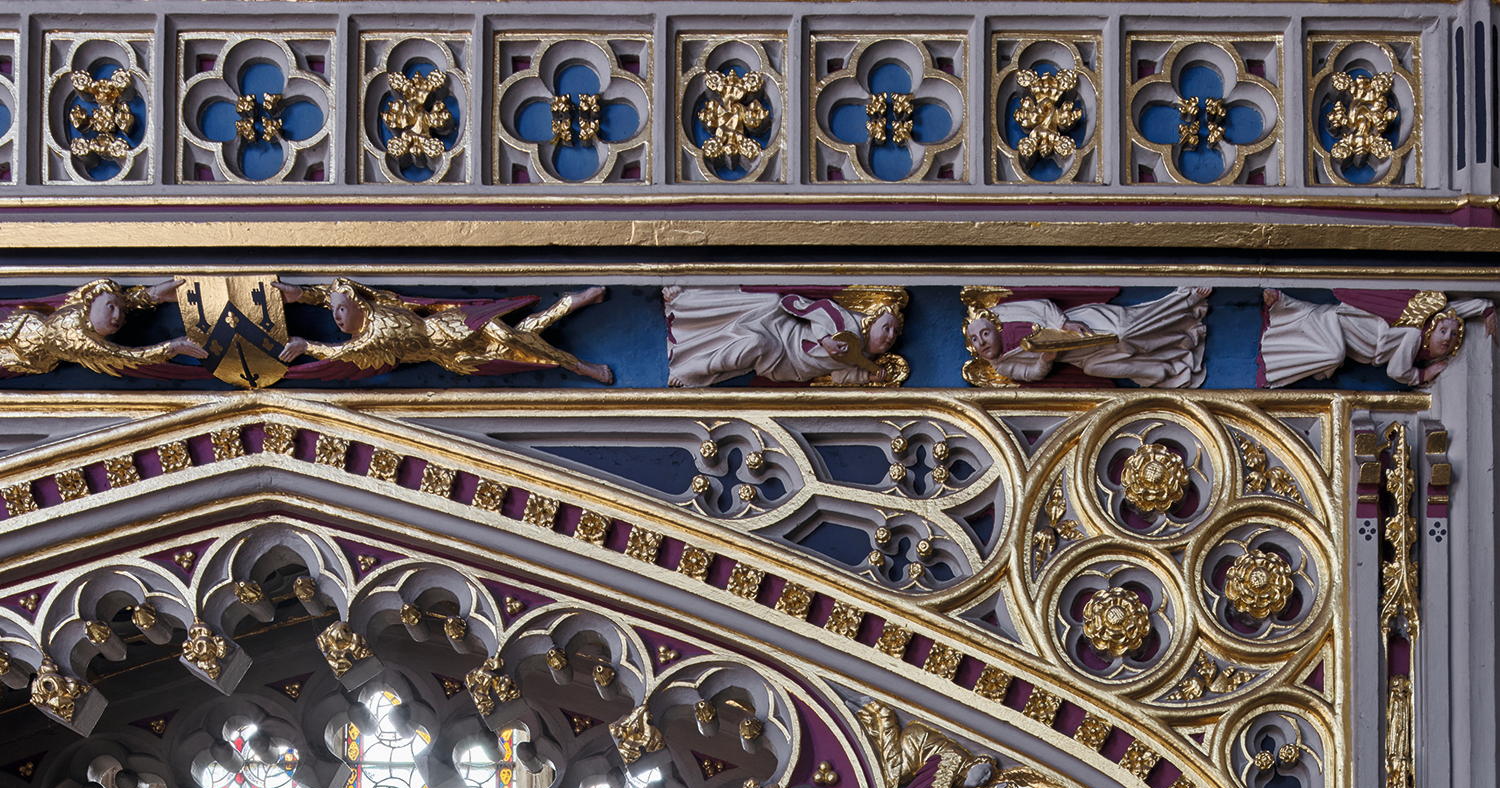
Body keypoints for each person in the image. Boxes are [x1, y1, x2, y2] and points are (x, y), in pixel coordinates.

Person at [277, 279, 613, 382]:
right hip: (453, 355)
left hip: (453, 322)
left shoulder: (378, 303)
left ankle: (581, 366)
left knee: (513, 338)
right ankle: (571, 304)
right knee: (522, 345)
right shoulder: (368, 342)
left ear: (354, 304)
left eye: (339, 310)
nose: (336, 317)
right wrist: (307, 346)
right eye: (334, 313)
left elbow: (334, 294)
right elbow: (341, 353)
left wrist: (303, 294)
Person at [960, 284, 1209, 388]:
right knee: (1097, 367)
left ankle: (1186, 301)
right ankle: (1168, 363)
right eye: (975, 340)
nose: (982, 342)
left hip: (1082, 324)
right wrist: (1046, 358)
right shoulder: (1003, 365)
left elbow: (1043, 306)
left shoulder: (1004, 314)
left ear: (995, 329)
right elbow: (1031, 374)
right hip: (1075, 355)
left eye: (984, 334)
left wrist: (1065, 323)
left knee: (1125, 332)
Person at [664, 284, 908, 388]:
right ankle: (687, 302)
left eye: (895, 334)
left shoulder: (859, 356)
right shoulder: (845, 323)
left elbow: (839, 375)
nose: (890, 336)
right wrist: (826, 340)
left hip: (786, 364)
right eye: (886, 327)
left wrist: (869, 376)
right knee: (765, 307)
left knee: (753, 346)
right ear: (870, 321)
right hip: (783, 333)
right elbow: (813, 309)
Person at [1259, 287, 1486, 388]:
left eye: (1454, 336)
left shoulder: (1422, 324)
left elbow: (1451, 311)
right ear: (1430, 330)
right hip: (1347, 329)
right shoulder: (1414, 336)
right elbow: (1396, 371)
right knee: (1332, 354)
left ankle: (1286, 305)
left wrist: (1484, 308)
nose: (1448, 338)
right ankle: (1286, 309)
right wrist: (1422, 374)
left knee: (1327, 341)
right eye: (1443, 332)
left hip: (1351, 330)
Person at [0, 279, 204, 378]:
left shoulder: (79, 311)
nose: (118, 317)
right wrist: (172, 347)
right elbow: (128, 356)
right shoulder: (80, 341)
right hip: (19, 350)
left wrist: (152, 295)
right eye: (111, 309)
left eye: (122, 313)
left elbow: (113, 303)